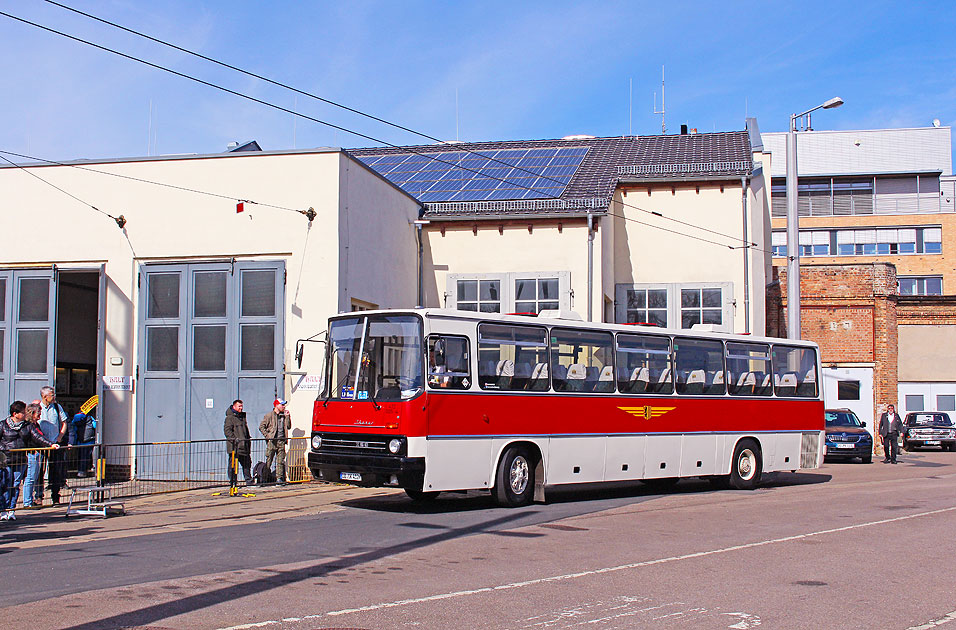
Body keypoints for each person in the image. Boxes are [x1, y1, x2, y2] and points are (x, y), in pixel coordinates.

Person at [1, 401, 59, 520]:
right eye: (22, 412)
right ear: (15, 414)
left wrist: (50, 444)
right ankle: (3, 510)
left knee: (16, 485)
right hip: (5, 460)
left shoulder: (27, 426)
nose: (24, 414)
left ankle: (12, 509)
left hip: (20, 459)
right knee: (5, 485)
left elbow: (37, 437)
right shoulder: (3, 425)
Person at [38, 387, 69, 505]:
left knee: (56, 471)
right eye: (52, 395)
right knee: (40, 471)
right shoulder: (38, 408)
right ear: (45, 397)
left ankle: (55, 496)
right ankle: (38, 496)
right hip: (42, 444)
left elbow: (64, 422)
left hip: (55, 443)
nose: (54, 396)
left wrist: (60, 437)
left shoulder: (57, 407)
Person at [260, 399, 291, 485]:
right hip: (272, 441)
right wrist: (268, 436)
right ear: (277, 405)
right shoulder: (269, 415)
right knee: (269, 460)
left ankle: (279, 478)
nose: (284, 407)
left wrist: (287, 417)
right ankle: (264, 478)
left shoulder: (284, 415)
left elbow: (288, 426)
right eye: (282, 405)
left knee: (280, 461)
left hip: (281, 441)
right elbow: (261, 427)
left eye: (284, 405)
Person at [223, 400, 252, 486]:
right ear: (234, 406)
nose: (241, 408)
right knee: (233, 466)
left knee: (247, 464)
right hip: (234, 447)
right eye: (239, 406)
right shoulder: (230, 418)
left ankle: (249, 481)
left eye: (241, 406)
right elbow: (227, 431)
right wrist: (234, 439)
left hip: (244, 446)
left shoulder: (242, 417)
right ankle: (233, 482)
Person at [70, 411, 96, 477]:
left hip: (80, 441)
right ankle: (87, 470)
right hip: (89, 441)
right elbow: (95, 425)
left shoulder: (75, 418)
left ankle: (80, 471)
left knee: (80, 456)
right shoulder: (89, 418)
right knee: (87, 456)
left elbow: (73, 428)